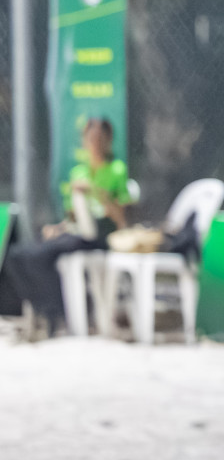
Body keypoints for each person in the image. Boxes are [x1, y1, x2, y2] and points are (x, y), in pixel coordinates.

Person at [0, 117, 131, 336]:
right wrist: (58, 228)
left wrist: (96, 191)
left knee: (41, 257)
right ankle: (45, 308)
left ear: (108, 140)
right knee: (16, 256)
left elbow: (121, 218)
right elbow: (73, 218)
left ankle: (57, 313)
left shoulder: (116, 170)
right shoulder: (78, 173)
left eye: (100, 138)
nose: (95, 143)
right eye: (91, 138)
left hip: (101, 234)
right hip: (78, 232)